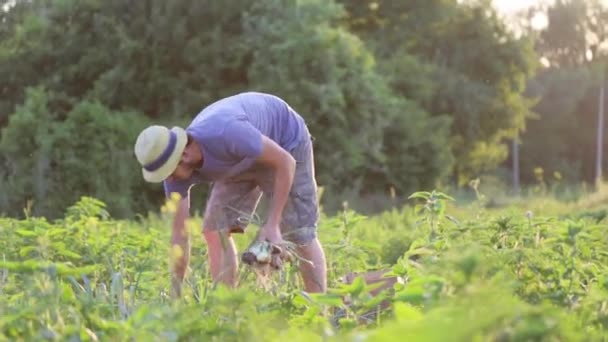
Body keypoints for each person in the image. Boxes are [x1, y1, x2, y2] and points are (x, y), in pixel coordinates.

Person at [133, 91, 327, 297]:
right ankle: (227, 308)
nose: (169, 179)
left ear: (185, 155)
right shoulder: (175, 175)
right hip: (239, 158)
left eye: (169, 172)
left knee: (300, 233)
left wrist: (273, 224)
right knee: (215, 230)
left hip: (284, 141)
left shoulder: (226, 133)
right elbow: (179, 236)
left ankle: (317, 312)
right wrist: (175, 293)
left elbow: (285, 162)